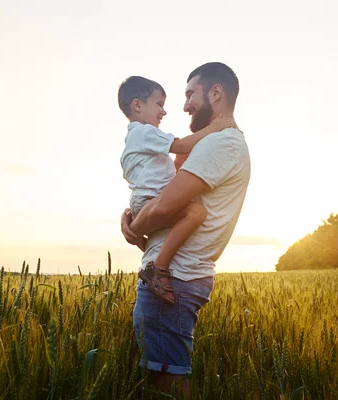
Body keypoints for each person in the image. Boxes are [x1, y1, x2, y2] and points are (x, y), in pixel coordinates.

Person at [120, 62, 251, 398]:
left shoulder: (221, 143)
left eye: (191, 93)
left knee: (171, 389)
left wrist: (134, 223)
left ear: (216, 92)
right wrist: (136, 225)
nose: (183, 105)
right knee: (163, 386)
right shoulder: (212, 146)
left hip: (173, 282)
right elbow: (165, 202)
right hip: (171, 279)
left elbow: (163, 207)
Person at [118, 76, 235, 304]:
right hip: (152, 199)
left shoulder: (135, 138)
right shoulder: (144, 132)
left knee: (174, 224)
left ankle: (150, 260)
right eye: (159, 104)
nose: (164, 112)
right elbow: (181, 145)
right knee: (196, 213)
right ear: (137, 105)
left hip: (144, 200)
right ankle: (158, 267)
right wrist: (215, 128)